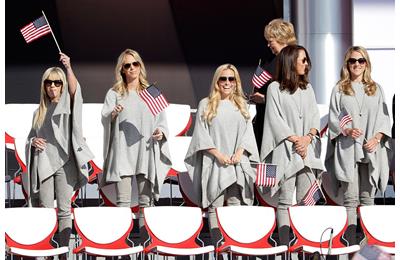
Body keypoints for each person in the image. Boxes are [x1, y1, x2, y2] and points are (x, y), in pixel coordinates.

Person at [25, 53, 94, 253]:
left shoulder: (68, 106)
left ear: (62, 85)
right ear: (44, 86)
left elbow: (75, 92)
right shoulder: (38, 112)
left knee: (64, 210)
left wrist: (69, 67)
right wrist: (33, 141)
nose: (52, 86)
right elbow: (30, 137)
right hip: (45, 162)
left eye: (57, 82)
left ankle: (63, 251)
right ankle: (47, 251)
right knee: (46, 210)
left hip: (65, 162)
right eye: (49, 82)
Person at [100, 49, 171, 243]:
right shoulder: (114, 93)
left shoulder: (151, 91)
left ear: (140, 66)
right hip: (123, 152)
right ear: (121, 70)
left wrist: (160, 132)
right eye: (127, 65)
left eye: (135, 64)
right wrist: (113, 114)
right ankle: (122, 248)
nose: (132, 68)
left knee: (145, 203)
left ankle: (146, 248)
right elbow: (105, 119)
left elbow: (162, 121)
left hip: (145, 152)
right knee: (122, 203)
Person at [185, 64, 259, 246]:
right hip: (215, 163)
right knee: (214, 206)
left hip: (236, 163)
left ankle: (234, 247)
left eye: (231, 79)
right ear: (217, 81)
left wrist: (239, 153)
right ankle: (219, 248)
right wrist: (218, 155)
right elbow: (201, 135)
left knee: (235, 205)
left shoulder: (242, 105)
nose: (227, 82)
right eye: (223, 78)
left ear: (236, 82)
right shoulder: (206, 103)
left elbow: (248, 134)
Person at [325, 46, 391, 245]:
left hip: (370, 149)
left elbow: (384, 118)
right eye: (352, 61)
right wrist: (346, 130)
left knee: (368, 199)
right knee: (351, 200)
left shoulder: (376, 88)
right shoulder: (339, 89)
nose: (356, 64)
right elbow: (334, 117)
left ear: (366, 63)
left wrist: (377, 138)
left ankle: (369, 247)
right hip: (348, 148)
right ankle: (350, 244)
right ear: (347, 64)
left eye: (361, 61)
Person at [260, 45, 324, 247]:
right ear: (290, 62)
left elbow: (315, 116)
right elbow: (274, 119)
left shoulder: (308, 88)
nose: (306, 64)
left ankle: (308, 245)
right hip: (286, 151)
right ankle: (287, 245)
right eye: (302, 60)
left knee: (308, 200)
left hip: (306, 151)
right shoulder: (274, 88)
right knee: (285, 199)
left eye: (307, 60)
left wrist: (307, 138)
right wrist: (296, 139)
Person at [250, 18, 297, 151]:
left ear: (281, 39)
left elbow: (291, 96)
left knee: (275, 164)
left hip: (279, 128)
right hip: (264, 121)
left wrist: (264, 99)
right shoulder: (272, 60)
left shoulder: (291, 61)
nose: (268, 45)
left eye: (271, 41)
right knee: (264, 166)